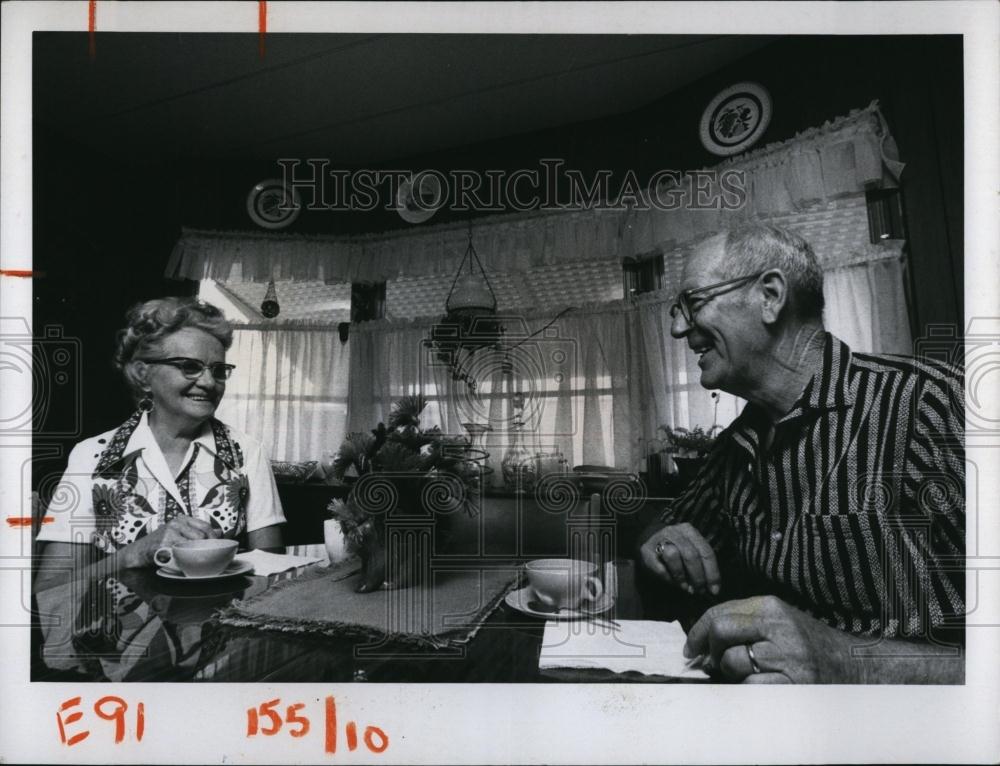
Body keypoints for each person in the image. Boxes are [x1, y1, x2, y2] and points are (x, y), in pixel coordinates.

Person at [638, 224, 964, 684]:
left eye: (692, 303)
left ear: (770, 296)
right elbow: (665, 525)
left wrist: (842, 661)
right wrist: (661, 539)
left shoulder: (930, 404)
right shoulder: (734, 447)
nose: (676, 329)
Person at [37, 297, 286, 576]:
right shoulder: (91, 456)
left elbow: (272, 577)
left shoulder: (247, 452)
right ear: (143, 374)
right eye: (189, 366)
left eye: (218, 370)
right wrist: (134, 553)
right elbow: (51, 589)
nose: (208, 382)